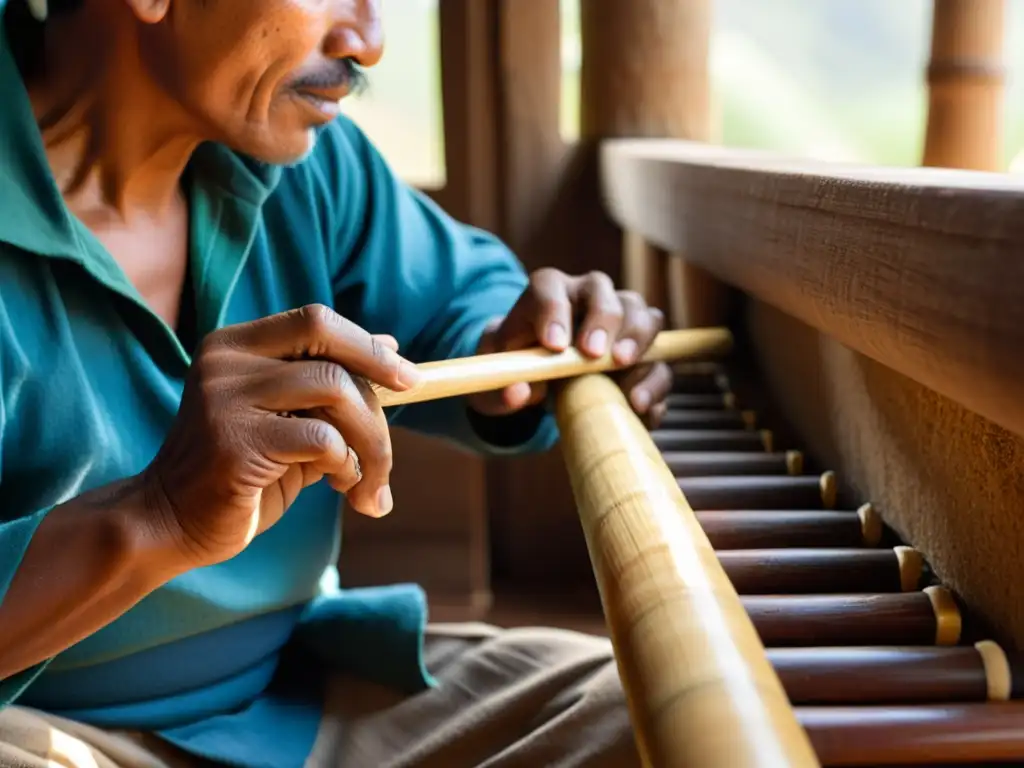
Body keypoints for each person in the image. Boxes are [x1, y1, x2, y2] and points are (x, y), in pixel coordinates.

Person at [0, 1, 673, 766]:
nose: (369, 41)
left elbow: (464, 297)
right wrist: (158, 515)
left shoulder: (298, 159)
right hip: (34, 726)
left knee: (666, 719)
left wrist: (526, 342)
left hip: (300, 693)